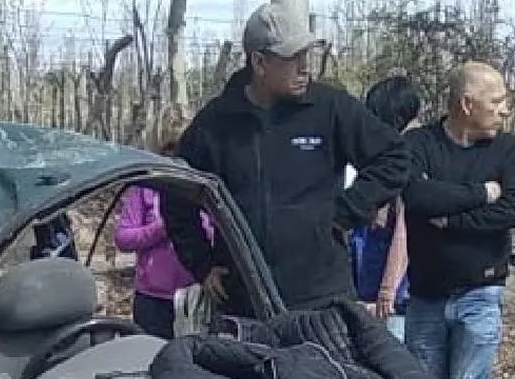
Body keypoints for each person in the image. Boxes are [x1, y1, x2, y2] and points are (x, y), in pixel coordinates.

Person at [161, 1, 412, 315]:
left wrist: (344, 212)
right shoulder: (216, 123)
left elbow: (395, 157)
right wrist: (201, 263)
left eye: (307, 55)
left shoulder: (331, 108)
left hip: (322, 297)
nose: (305, 66)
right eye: (294, 58)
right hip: (244, 300)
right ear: (259, 62)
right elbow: (176, 194)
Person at [399, 61, 515, 379]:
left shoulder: (508, 149)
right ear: (467, 104)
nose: (505, 110)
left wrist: (449, 218)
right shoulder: (419, 145)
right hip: (426, 298)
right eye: (497, 101)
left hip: (480, 293)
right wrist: (482, 192)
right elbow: (417, 199)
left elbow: (514, 208)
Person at [114, 119, 213, 339]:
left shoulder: (205, 189)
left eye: (181, 150)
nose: (175, 158)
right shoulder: (145, 188)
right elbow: (123, 238)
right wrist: (160, 229)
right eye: (169, 150)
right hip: (153, 299)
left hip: (196, 297)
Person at [347, 75, 421, 342]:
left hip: (392, 303)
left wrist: (387, 291)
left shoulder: (407, 162)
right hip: (369, 295)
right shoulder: (378, 160)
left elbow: (404, 230)